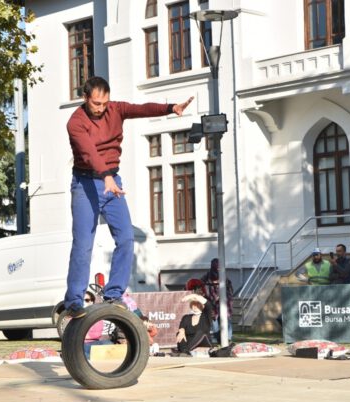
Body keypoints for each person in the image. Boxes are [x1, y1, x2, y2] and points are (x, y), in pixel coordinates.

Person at [63, 76, 194, 318]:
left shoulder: (116, 109)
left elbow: (142, 109)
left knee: (125, 239)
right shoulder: (76, 123)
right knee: (83, 245)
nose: (101, 109)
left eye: (104, 103)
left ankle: (114, 293)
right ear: (85, 98)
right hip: (85, 184)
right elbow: (89, 153)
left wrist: (170, 108)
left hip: (113, 183)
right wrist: (106, 177)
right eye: (96, 104)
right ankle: (73, 301)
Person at [201, 258, 234, 341]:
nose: (219, 268)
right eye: (217, 266)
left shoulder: (224, 275)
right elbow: (201, 284)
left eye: (220, 266)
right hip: (212, 302)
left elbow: (229, 288)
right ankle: (216, 337)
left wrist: (222, 295)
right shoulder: (207, 276)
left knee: (226, 318)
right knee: (214, 319)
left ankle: (228, 337)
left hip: (224, 301)